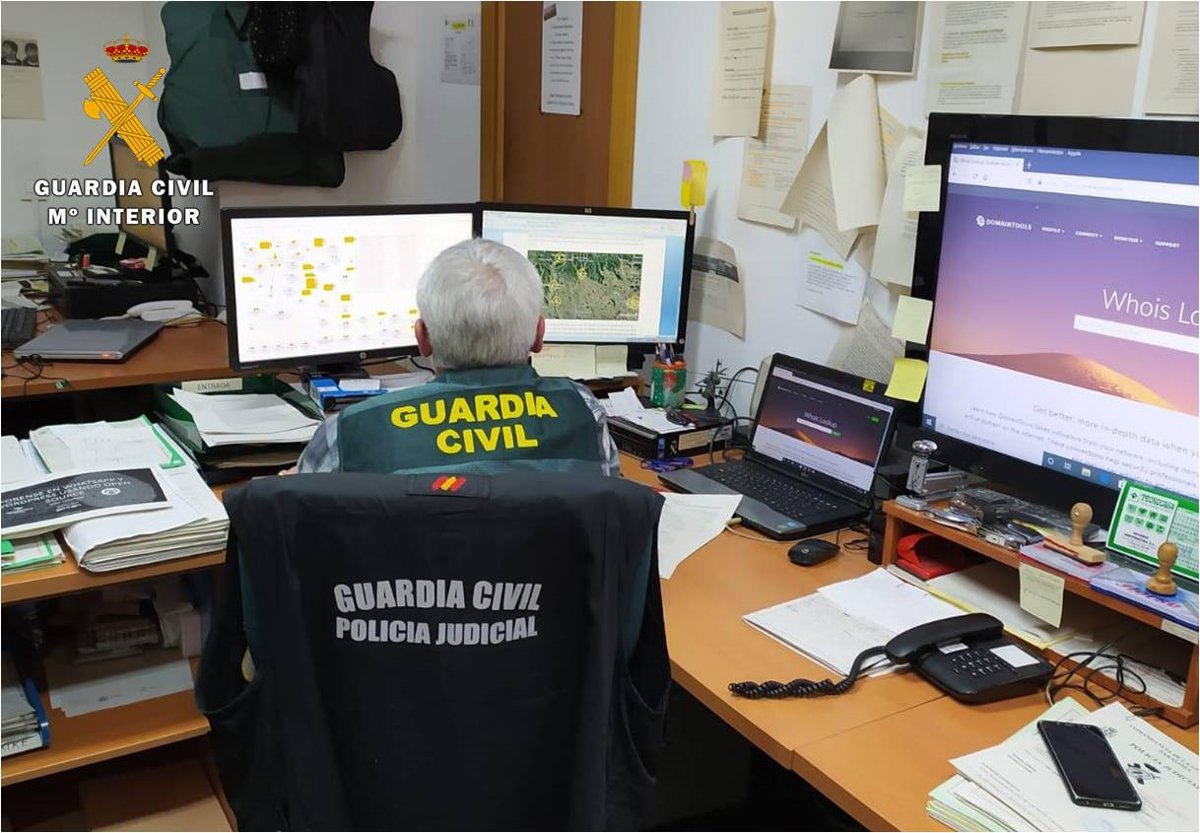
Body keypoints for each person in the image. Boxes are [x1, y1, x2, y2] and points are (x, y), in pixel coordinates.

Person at [295, 238, 620, 477]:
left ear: (422, 338)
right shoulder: (583, 412)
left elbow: (295, 526)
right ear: (539, 335)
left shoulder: (346, 434)